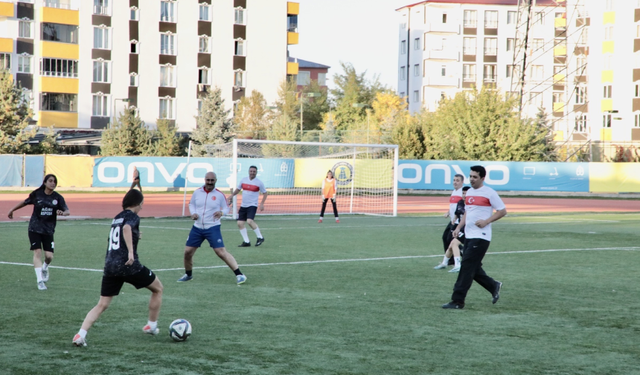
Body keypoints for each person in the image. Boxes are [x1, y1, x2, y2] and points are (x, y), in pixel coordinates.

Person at [72, 189, 163, 347]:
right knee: (158, 288)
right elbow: (127, 229)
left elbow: (119, 234)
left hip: (110, 265)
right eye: (142, 203)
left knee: (102, 304)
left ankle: (80, 334)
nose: (142, 206)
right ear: (137, 203)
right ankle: (151, 325)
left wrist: (136, 236)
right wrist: (130, 252)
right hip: (128, 265)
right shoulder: (132, 216)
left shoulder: (117, 217)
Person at [442, 166, 507, 309]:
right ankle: (493, 285)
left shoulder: (489, 193)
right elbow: (467, 212)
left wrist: (486, 221)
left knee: (466, 267)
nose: (472, 179)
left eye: (475, 177)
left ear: (482, 178)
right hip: (469, 235)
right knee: (471, 266)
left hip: (481, 236)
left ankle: (457, 301)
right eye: (470, 176)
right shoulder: (469, 192)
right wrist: (459, 227)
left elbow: (502, 211)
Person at [177, 172, 247, 284]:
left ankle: (239, 274)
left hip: (212, 227)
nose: (209, 182)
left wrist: (221, 212)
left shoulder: (219, 195)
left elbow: (226, 208)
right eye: (208, 180)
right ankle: (188, 275)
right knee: (187, 252)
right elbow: (191, 204)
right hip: (197, 227)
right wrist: (193, 213)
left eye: (212, 180)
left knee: (220, 252)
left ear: (215, 180)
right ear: (204, 180)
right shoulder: (197, 192)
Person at [7, 174, 70, 290]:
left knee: (49, 256)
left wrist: (63, 213)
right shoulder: (37, 194)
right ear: (45, 183)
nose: (53, 183)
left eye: (54, 182)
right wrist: (12, 210)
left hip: (48, 230)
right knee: (37, 253)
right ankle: (40, 281)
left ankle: (45, 267)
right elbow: (25, 202)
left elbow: (67, 211)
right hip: (34, 228)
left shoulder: (58, 198)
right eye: (50, 181)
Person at [227, 165, 268, 247]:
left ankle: (260, 237)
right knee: (240, 223)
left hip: (252, 205)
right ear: (249, 171)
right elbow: (238, 189)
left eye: (254, 171)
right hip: (243, 205)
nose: (252, 173)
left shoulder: (259, 182)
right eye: (251, 171)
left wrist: (262, 203)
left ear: (256, 172)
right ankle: (246, 242)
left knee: (249, 221)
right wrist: (232, 195)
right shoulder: (243, 180)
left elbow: (265, 193)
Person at [434, 186, 470, 273]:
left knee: (454, 243)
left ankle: (458, 265)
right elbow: (457, 212)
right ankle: (444, 263)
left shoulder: (471, 205)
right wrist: (454, 219)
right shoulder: (460, 202)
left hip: (468, 228)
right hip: (460, 227)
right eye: (463, 193)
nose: (464, 195)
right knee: (451, 245)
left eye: (466, 193)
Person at [441, 174, 464, 264]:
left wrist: (457, 217)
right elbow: (453, 206)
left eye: (457, 180)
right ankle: (451, 259)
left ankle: (460, 254)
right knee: (445, 238)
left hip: (458, 221)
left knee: (451, 239)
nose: (455, 182)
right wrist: (448, 212)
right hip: (452, 220)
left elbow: (463, 207)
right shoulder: (454, 191)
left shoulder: (463, 192)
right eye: (454, 180)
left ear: (462, 182)